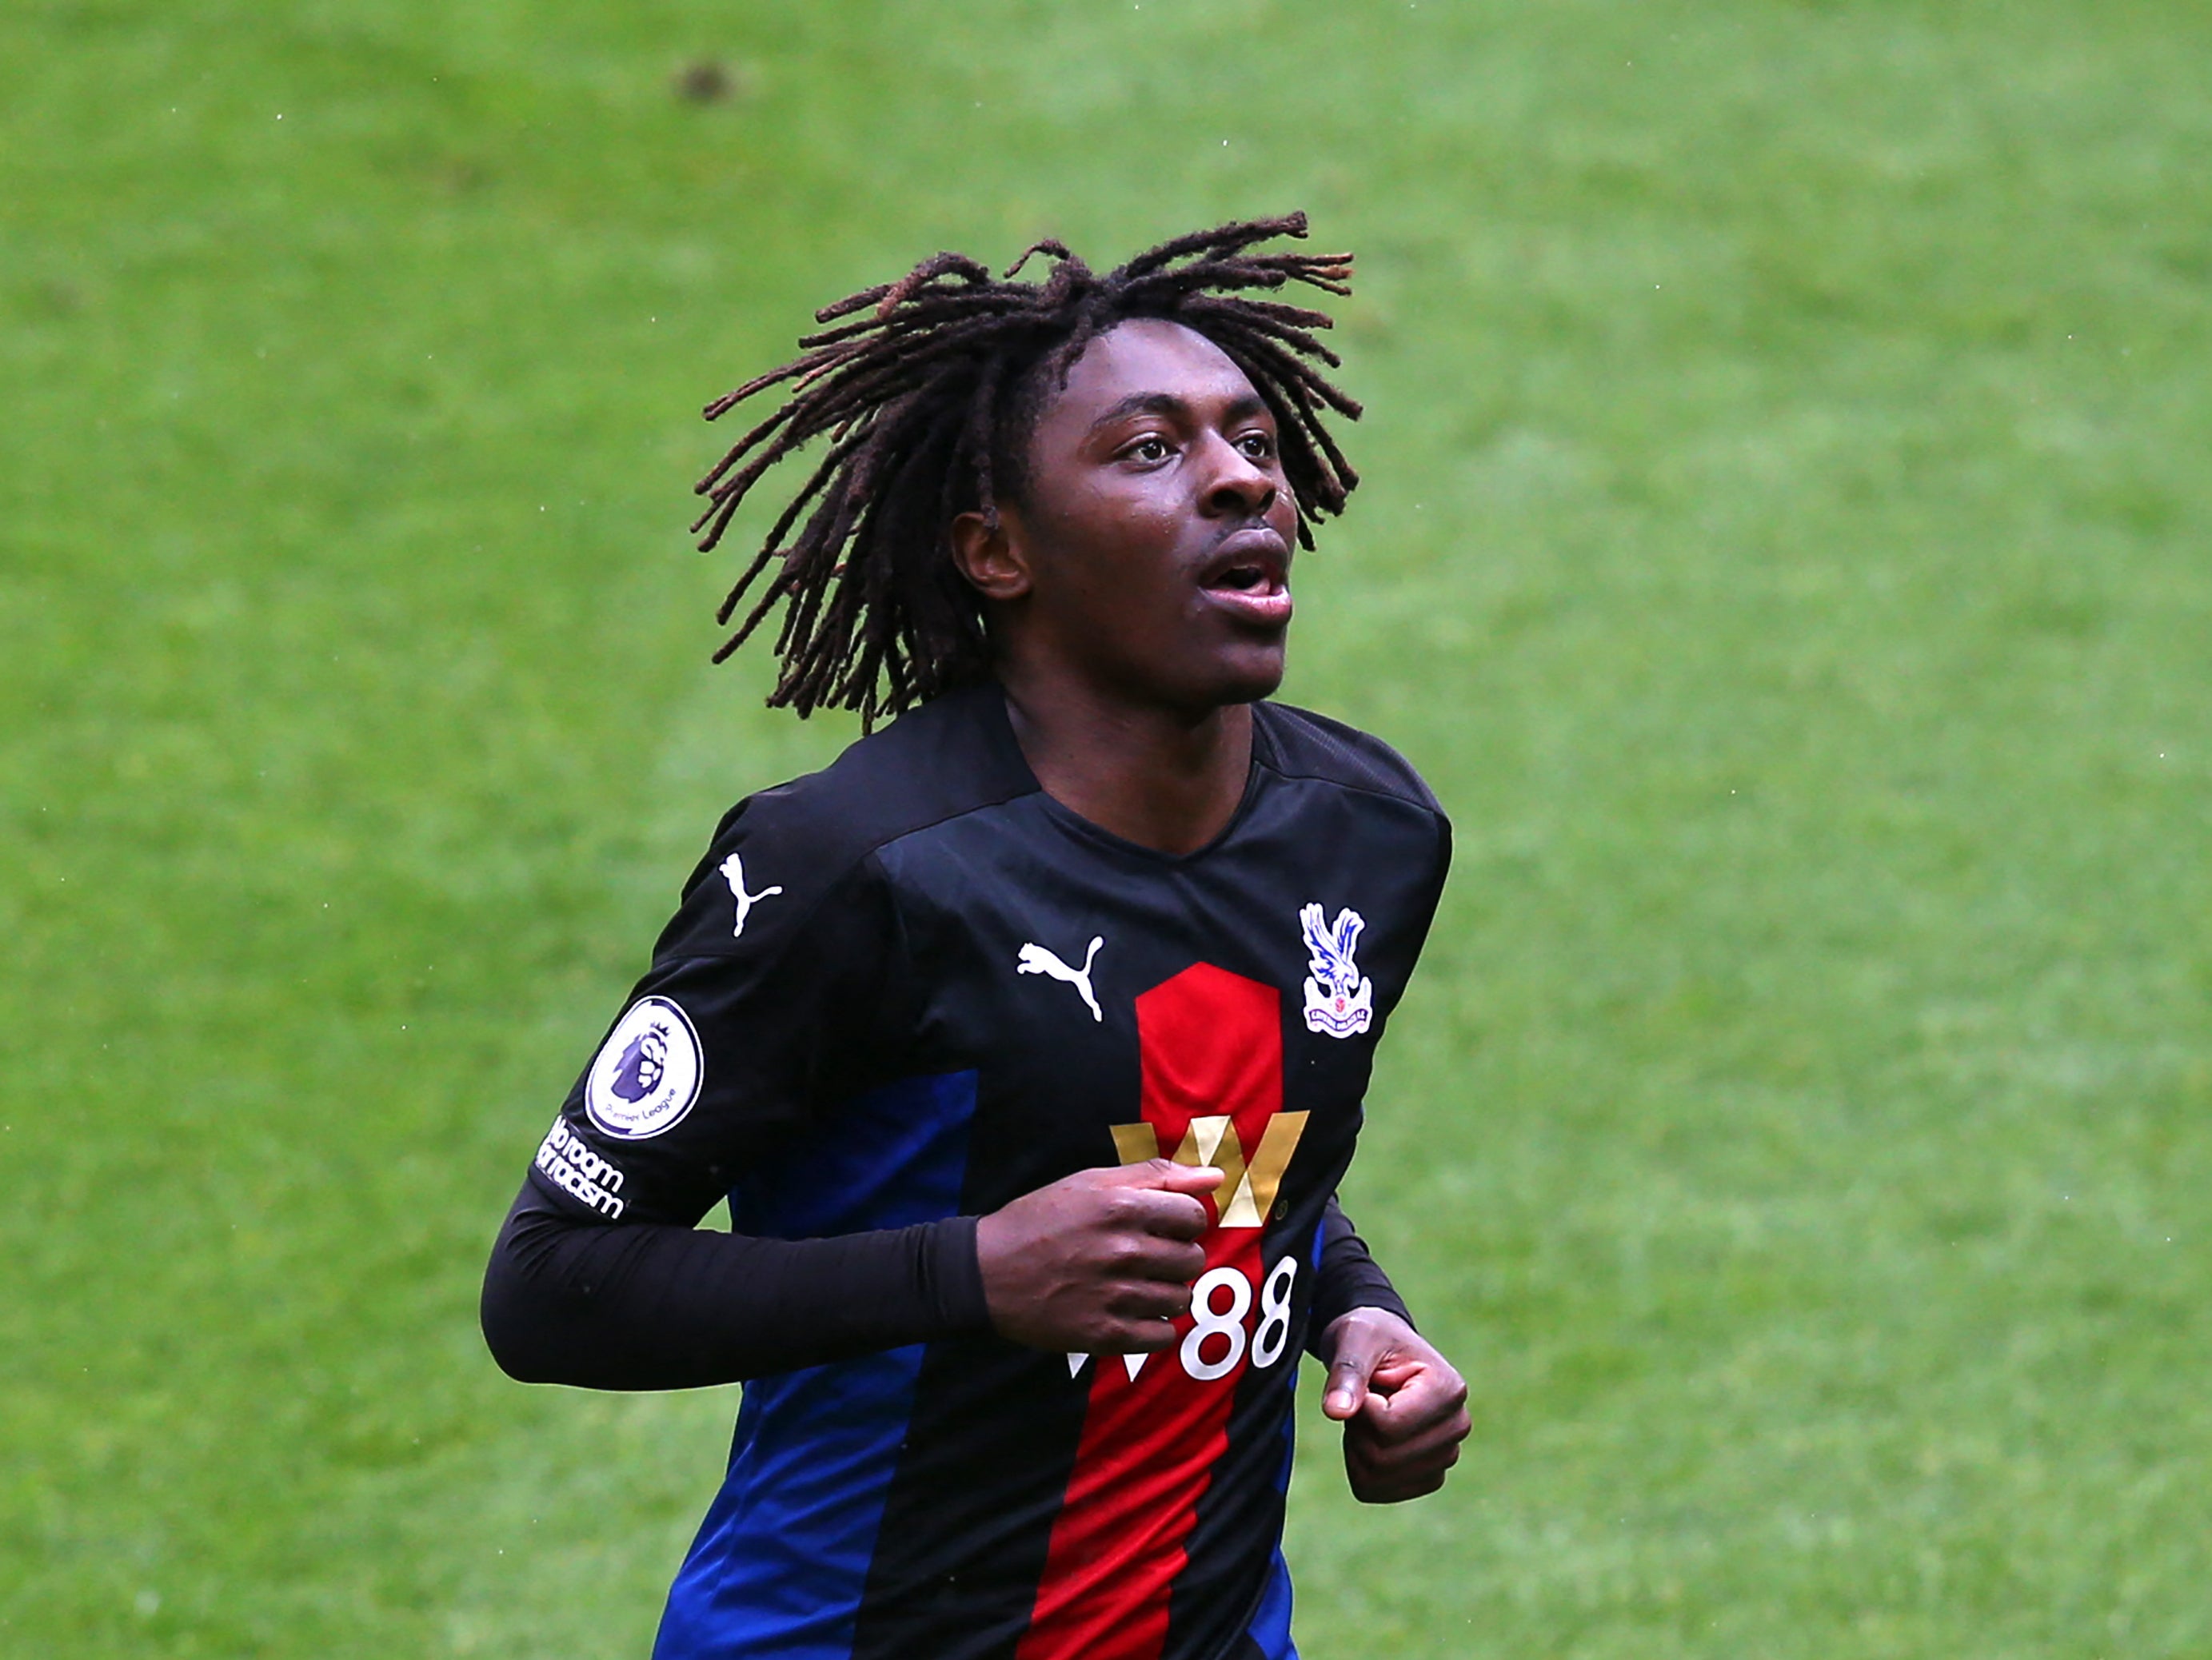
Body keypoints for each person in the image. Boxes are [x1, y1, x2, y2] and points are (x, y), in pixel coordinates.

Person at [481, 213, 1470, 1660]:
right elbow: (554, 1286)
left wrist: (1353, 1315)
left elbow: (1229, 1151)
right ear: (995, 551)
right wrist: (974, 1277)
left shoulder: (1365, 831)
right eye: (1150, 450)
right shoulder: (850, 867)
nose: (1241, 476)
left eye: (1249, 438)